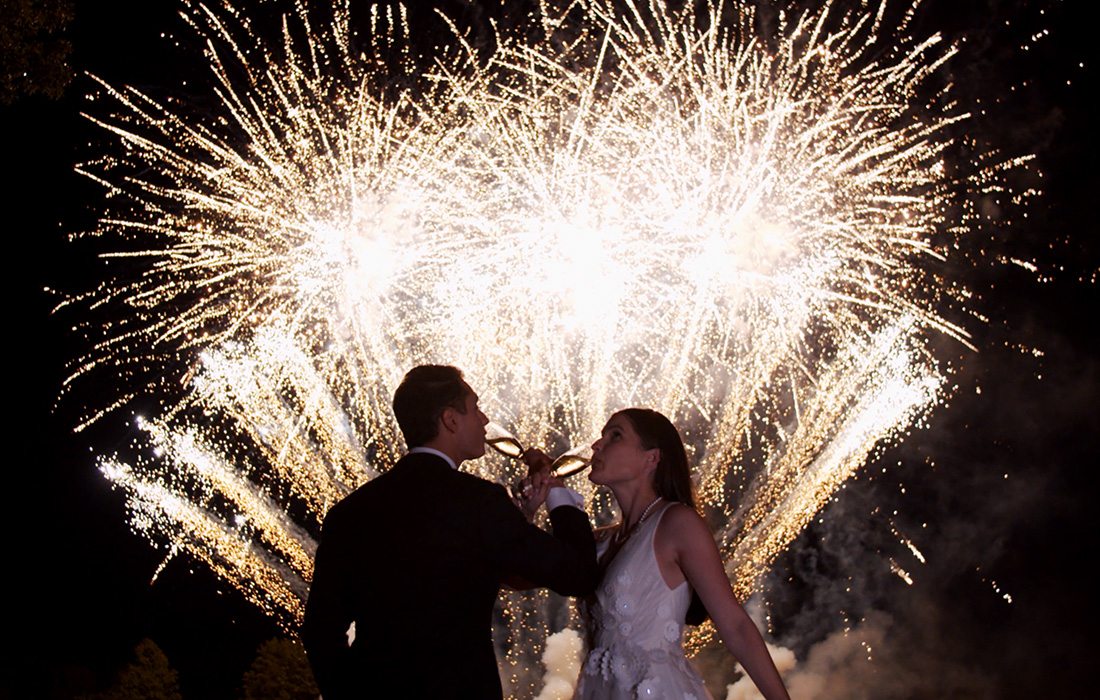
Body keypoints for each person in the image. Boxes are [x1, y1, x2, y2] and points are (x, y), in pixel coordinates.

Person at [301, 365, 598, 700]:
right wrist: (558, 494)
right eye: (475, 408)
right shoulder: (481, 502)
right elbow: (578, 574)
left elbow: (320, 632)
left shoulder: (349, 512)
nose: (485, 420)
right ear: (450, 420)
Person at [529, 408, 790, 700]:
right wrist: (531, 506)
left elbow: (736, 625)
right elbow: (518, 576)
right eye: (602, 436)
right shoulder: (600, 539)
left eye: (615, 435)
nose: (596, 445)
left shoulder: (677, 523)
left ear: (651, 458)